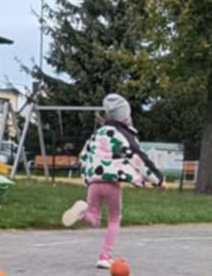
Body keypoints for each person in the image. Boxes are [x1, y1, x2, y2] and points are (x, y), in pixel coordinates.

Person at [63, 93, 162, 266]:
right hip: (111, 182)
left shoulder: (96, 135)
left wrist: (87, 177)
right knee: (114, 218)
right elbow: (138, 158)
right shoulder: (122, 135)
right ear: (125, 117)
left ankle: (82, 213)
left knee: (93, 217)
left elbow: (83, 156)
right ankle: (105, 256)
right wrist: (157, 180)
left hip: (94, 182)